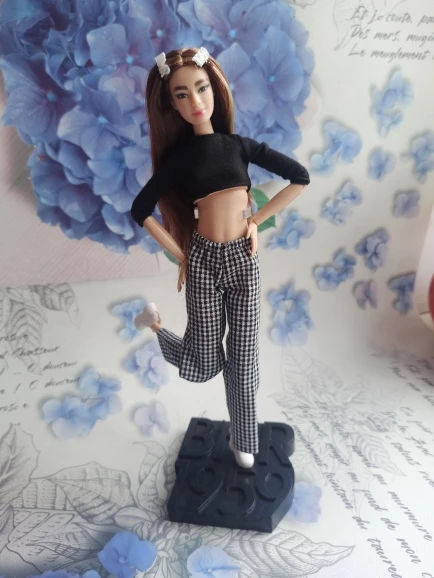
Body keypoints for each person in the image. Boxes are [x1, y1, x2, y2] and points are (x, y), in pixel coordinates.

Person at [130, 47, 310, 468]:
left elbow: (299, 177)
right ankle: (153, 324)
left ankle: (242, 441)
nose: (195, 101)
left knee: (244, 363)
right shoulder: (179, 161)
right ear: (172, 106)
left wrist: (256, 221)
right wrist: (183, 256)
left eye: (201, 88)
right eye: (181, 95)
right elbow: (141, 209)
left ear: (216, 89)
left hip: (242, 261)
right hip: (204, 262)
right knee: (204, 360)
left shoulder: (240, 146)